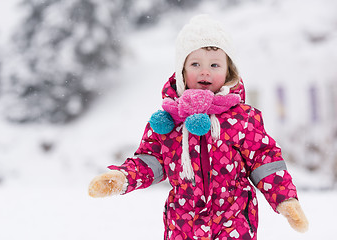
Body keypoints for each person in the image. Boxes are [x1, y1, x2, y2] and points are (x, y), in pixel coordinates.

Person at [88, 15, 308, 240]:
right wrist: (123, 177)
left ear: (228, 71)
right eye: (195, 64)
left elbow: (264, 160)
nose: (205, 71)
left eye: (214, 65)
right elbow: (150, 161)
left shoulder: (243, 118)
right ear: (182, 71)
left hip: (234, 220)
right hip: (183, 222)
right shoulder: (169, 121)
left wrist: (285, 199)